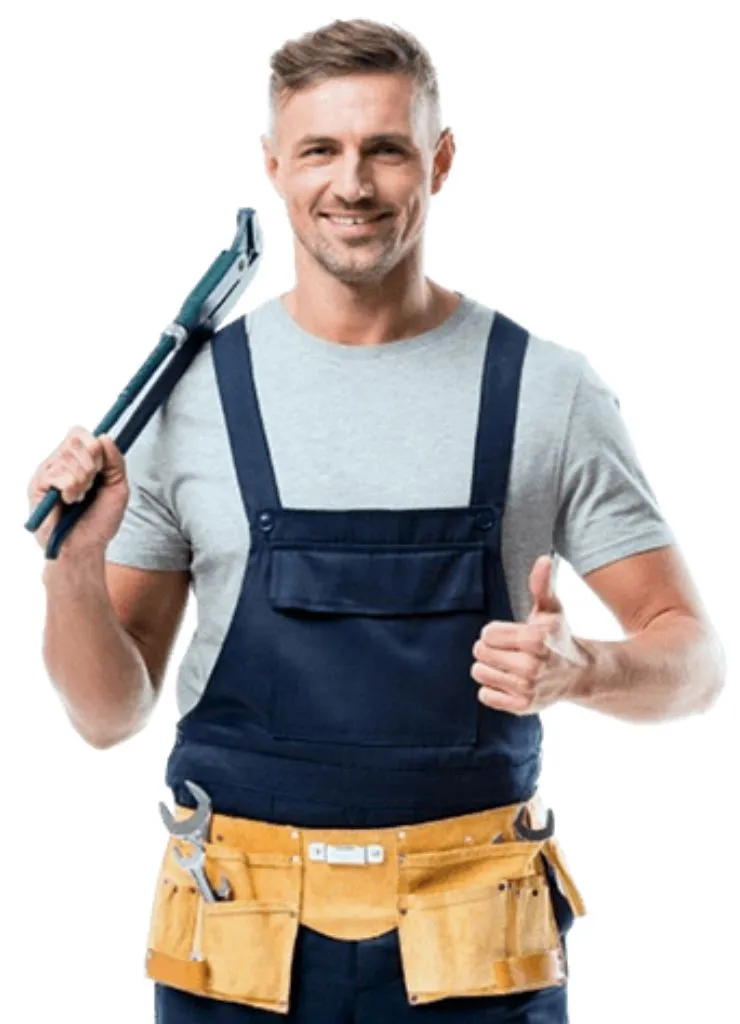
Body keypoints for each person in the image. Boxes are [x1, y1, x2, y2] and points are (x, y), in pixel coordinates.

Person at [30, 17, 725, 1024]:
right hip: (238, 943)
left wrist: (587, 670)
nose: (349, 184)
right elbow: (105, 717)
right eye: (319, 149)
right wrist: (73, 569)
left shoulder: (545, 390)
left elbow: (694, 659)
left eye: (384, 148)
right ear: (272, 166)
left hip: (475, 946)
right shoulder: (188, 401)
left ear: (438, 161)